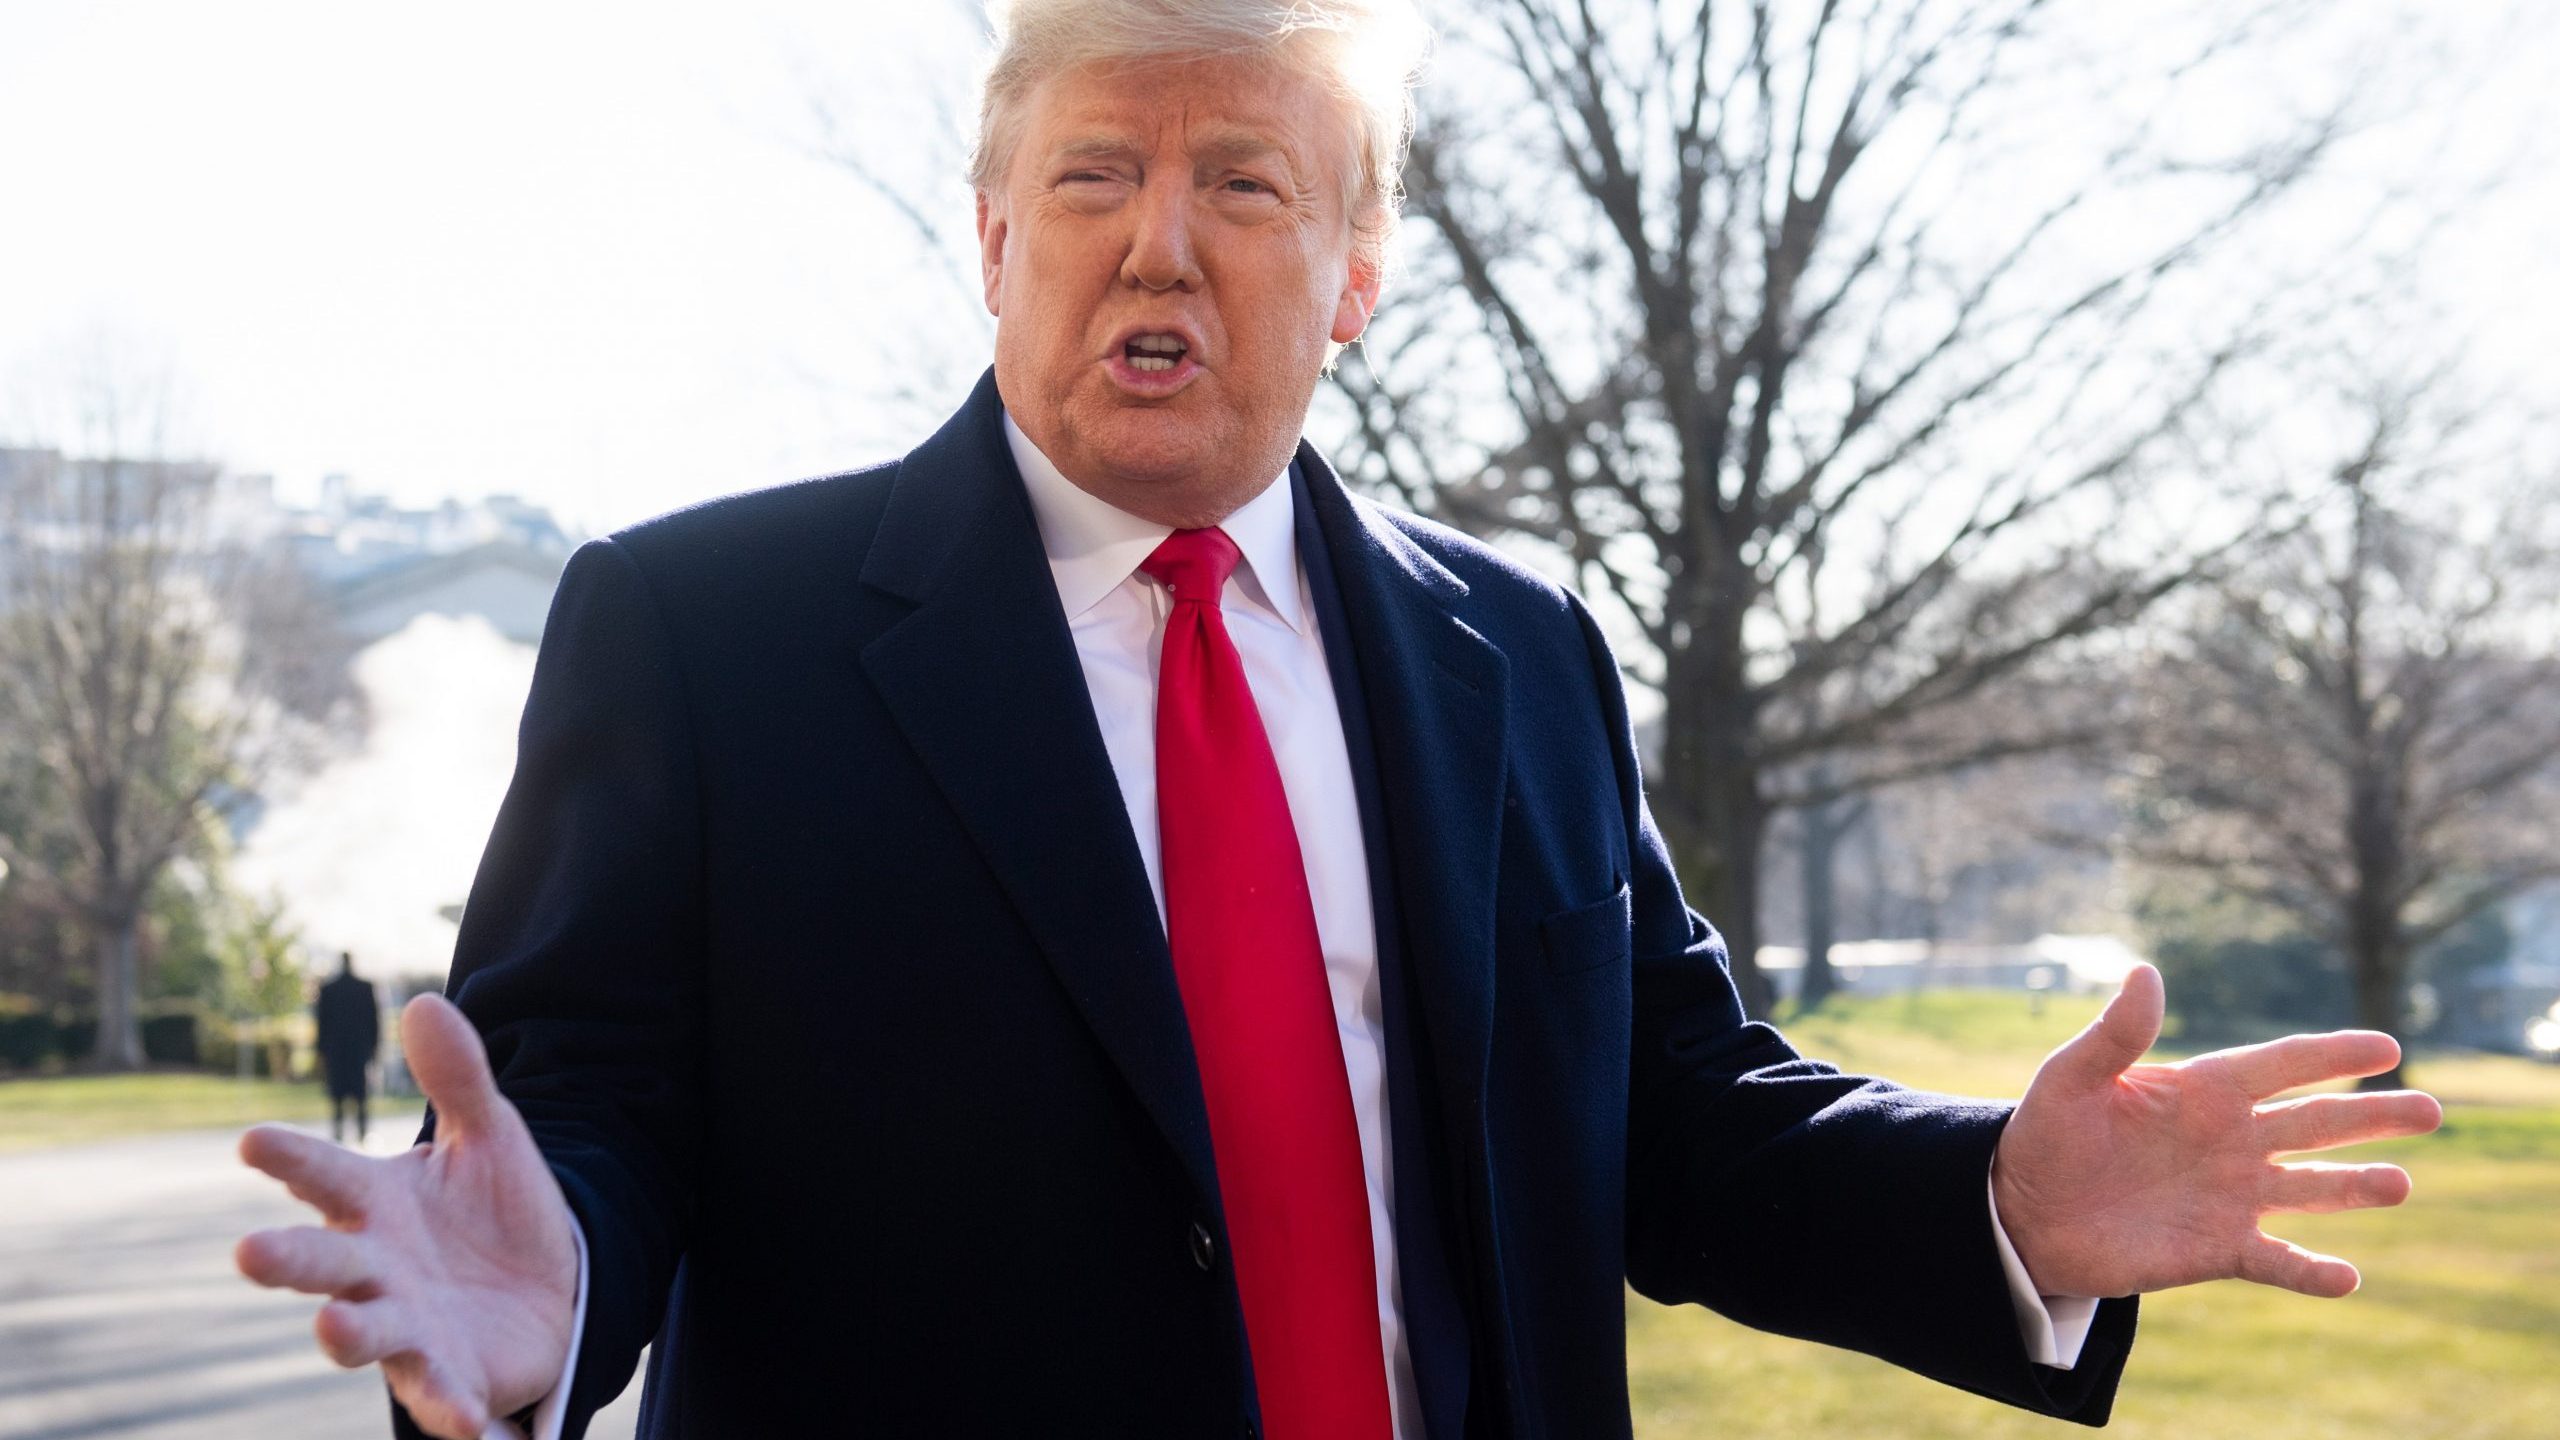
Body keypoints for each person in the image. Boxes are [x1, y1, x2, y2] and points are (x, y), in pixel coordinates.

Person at [232, 3, 2445, 1437]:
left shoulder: (1518, 653)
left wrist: (1999, 1201)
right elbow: (587, 1113)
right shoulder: (701, 632)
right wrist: (542, 1301)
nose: (1157, 246)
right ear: (992, 236)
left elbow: (1672, 1120)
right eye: (1092, 176)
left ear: (1357, 274)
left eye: (1245, 183)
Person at [312, 950, 380, 1147]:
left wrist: (321, 1051)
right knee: (360, 1094)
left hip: (336, 1050)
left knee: (338, 1093)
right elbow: (373, 1021)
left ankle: (338, 1132)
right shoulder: (365, 988)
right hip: (359, 1049)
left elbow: (322, 1024)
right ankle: (362, 1132)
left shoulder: (328, 989)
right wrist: (374, 1047)